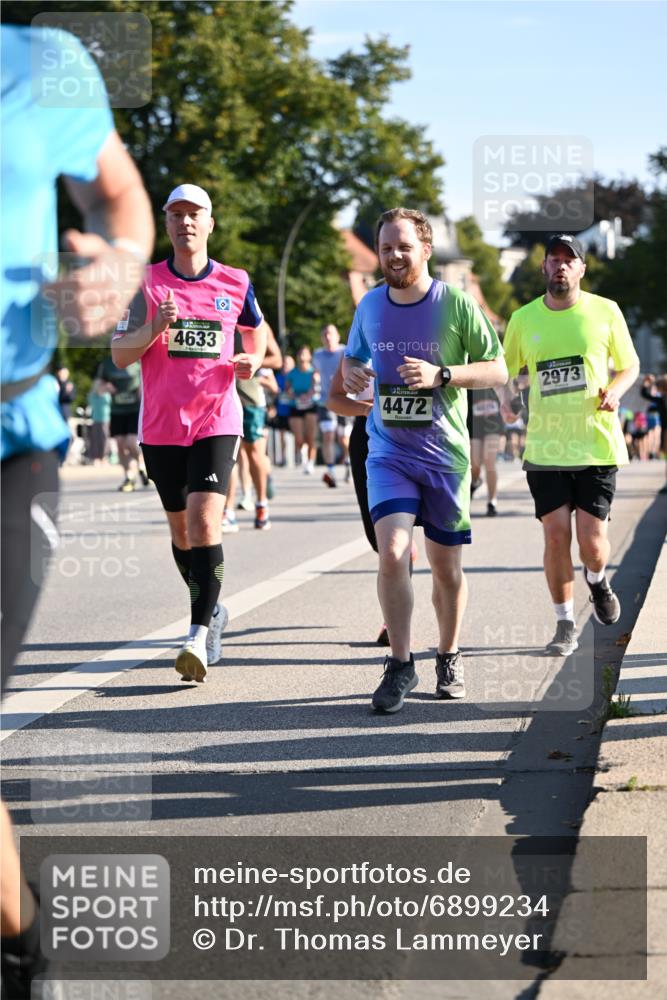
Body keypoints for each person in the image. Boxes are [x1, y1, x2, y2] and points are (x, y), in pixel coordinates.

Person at [1, 22, 154, 999]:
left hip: (10, 440)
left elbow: (118, 191)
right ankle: (23, 941)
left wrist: (122, 261)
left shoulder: (43, 60)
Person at [342, 207, 507, 713]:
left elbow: (497, 369)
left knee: (445, 567)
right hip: (388, 450)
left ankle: (449, 654)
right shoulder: (369, 305)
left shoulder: (455, 303)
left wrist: (443, 375)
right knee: (392, 552)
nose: (394, 256)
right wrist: (351, 372)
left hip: (443, 456)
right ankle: (399, 664)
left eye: (403, 247)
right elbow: (355, 357)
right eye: (387, 247)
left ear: (426, 250)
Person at [111, 183, 268, 683]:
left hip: (216, 418)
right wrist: (155, 325)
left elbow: (256, 330)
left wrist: (254, 358)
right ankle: (212, 606)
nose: (185, 223)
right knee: (181, 533)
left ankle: (198, 634)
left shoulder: (235, 281)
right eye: (176, 215)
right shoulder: (146, 283)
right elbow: (120, 354)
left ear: (209, 223)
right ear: (167, 224)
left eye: (194, 214)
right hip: (161, 426)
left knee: (205, 525)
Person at [502, 234, 640, 656]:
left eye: (569, 260)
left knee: (592, 543)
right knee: (556, 536)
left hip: (595, 444)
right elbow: (505, 370)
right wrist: (507, 401)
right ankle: (564, 623)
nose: (561, 266)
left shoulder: (605, 311)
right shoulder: (523, 319)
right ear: (543, 268)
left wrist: (616, 390)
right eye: (554, 260)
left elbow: (630, 364)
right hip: (545, 447)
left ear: (581, 269)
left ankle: (597, 582)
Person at [327, 357, 418, 646]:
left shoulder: (424, 336)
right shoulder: (360, 347)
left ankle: (393, 622)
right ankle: (405, 554)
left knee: (404, 541)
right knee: (378, 538)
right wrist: (368, 409)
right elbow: (333, 398)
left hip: (419, 434)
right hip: (368, 439)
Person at [94, 356, 149, 490]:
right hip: (117, 410)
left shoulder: (138, 361)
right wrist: (105, 386)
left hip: (134, 410)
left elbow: (148, 379)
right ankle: (129, 477)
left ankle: (141, 466)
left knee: (131, 443)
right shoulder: (107, 364)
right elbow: (97, 387)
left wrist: (143, 390)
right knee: (119, 444)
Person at [313, 324, 346, 487]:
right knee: (328, 435)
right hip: (326, 401)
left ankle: (348, 462)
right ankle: (331, 471)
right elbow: (315, 373)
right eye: (325, 334)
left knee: (344, 438)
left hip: (346, 400)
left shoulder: (344, 351)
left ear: (337, 336)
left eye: (331, 334)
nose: (328, 337)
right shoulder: (317, 355)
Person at [467, 387, 506, 516]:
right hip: (474, 424)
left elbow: (506, 402)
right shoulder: (470, 373)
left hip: (493, 425)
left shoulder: (496, 375)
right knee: (475, 464)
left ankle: (492, 501)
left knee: (490, 462)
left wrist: (503, 433)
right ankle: (475, 481)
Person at [87, 380, 111, 465]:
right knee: (95, 439)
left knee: (105, 439)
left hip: (105, 419)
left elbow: (109, 403)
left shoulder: (107, 395)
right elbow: (90, 402)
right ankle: (96, 458)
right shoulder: (93, 396)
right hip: (96, 419)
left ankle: (104, 457)